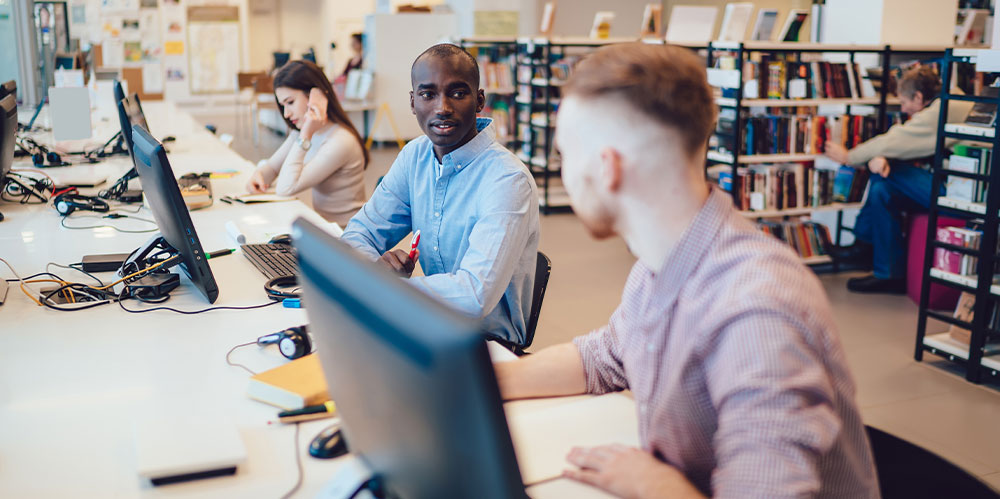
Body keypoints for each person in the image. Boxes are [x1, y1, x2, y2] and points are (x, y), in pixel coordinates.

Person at [493, 44, 878, 498]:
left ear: (607, 167)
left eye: (564, 155)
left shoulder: (754, 309)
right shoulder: (661, 265)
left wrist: (652, 484)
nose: (560, 172)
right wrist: (481, 383)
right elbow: (601, 358)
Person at [340, 44, 539, 348]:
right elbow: (360, 232)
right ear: (413, 101)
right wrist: (375, 272)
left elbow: (475, 295)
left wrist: (383, 290)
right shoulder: (415, 156)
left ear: (479, 101)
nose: (442, 107)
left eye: (458, 93)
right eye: (428, 94)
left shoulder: (507, 180)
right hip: (427, 323)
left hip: (485, 345)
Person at [823, 66, 974, 293]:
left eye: (904, 103)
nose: (903, 109)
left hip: (966, 197)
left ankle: (864, 244)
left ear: (919, 97)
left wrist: (849, 157)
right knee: (882, 190)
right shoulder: (951, 102)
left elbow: (898, 139)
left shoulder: (944, 108)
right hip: (957, 187)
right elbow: (905, 142)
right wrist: (881, 157)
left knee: (887, 173)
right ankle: (888, 273)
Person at [246, 60, 368, 227]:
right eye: (282, 106)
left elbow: (286, 188)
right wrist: (258, 175)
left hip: (347, 236)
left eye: (290, 102)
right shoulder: (303, 132)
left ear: (316, 96)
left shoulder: (340, 140)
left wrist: (306, 134)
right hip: (325, 230)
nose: (286, 114)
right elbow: (272, 168)